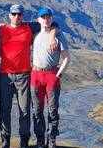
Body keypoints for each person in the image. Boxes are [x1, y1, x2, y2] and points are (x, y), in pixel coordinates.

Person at [0, 4, 58, 148]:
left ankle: (24, 141)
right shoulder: (1, 30)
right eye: (14, 14)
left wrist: (53, 35)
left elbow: (51, 23)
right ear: (9, 15)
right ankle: (6, 142)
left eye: (19, 14)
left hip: (24, 75)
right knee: (5, 110)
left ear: (23, 15)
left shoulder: (30, 27)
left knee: (24, 110)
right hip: (5, 76)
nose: (17, 16)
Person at [30, 8, 70, 148]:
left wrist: (58, 74)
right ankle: (40, 139)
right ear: (39, 19)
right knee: (37, 110)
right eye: (43, 17)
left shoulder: (59, 35)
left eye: (48, 17)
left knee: (52, 110)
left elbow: (67, 58)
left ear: (51, 19)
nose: (45, 20)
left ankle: (51, 139)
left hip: (52, 75)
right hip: (35, 75)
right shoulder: (34, 35)